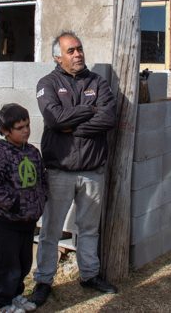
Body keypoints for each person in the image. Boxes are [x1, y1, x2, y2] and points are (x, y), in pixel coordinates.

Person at [30, 31, 118, 306]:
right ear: (58, 56)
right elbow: (54, 119)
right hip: (60, 172)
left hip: (93, 170)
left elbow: (108, 118)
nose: (78, 54)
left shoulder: (98, 82)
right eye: (71, 50)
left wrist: (73, 126)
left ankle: (89, 275)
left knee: (89, 228)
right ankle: (44, 280)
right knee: (51, 231)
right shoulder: (48, 83)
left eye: (79, 48)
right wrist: (88, 111)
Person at [0, 103, 49, 313]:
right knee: (7, 264)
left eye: (28, 125)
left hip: (28, 221)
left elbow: (42, 178)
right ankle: (2, 302)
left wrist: (41, 199)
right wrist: (14, 205)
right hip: (7, 222)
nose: (26, 131)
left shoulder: (32, 152)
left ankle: (16, 295)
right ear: (5, 130)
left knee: (23, 262)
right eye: (20, 127)